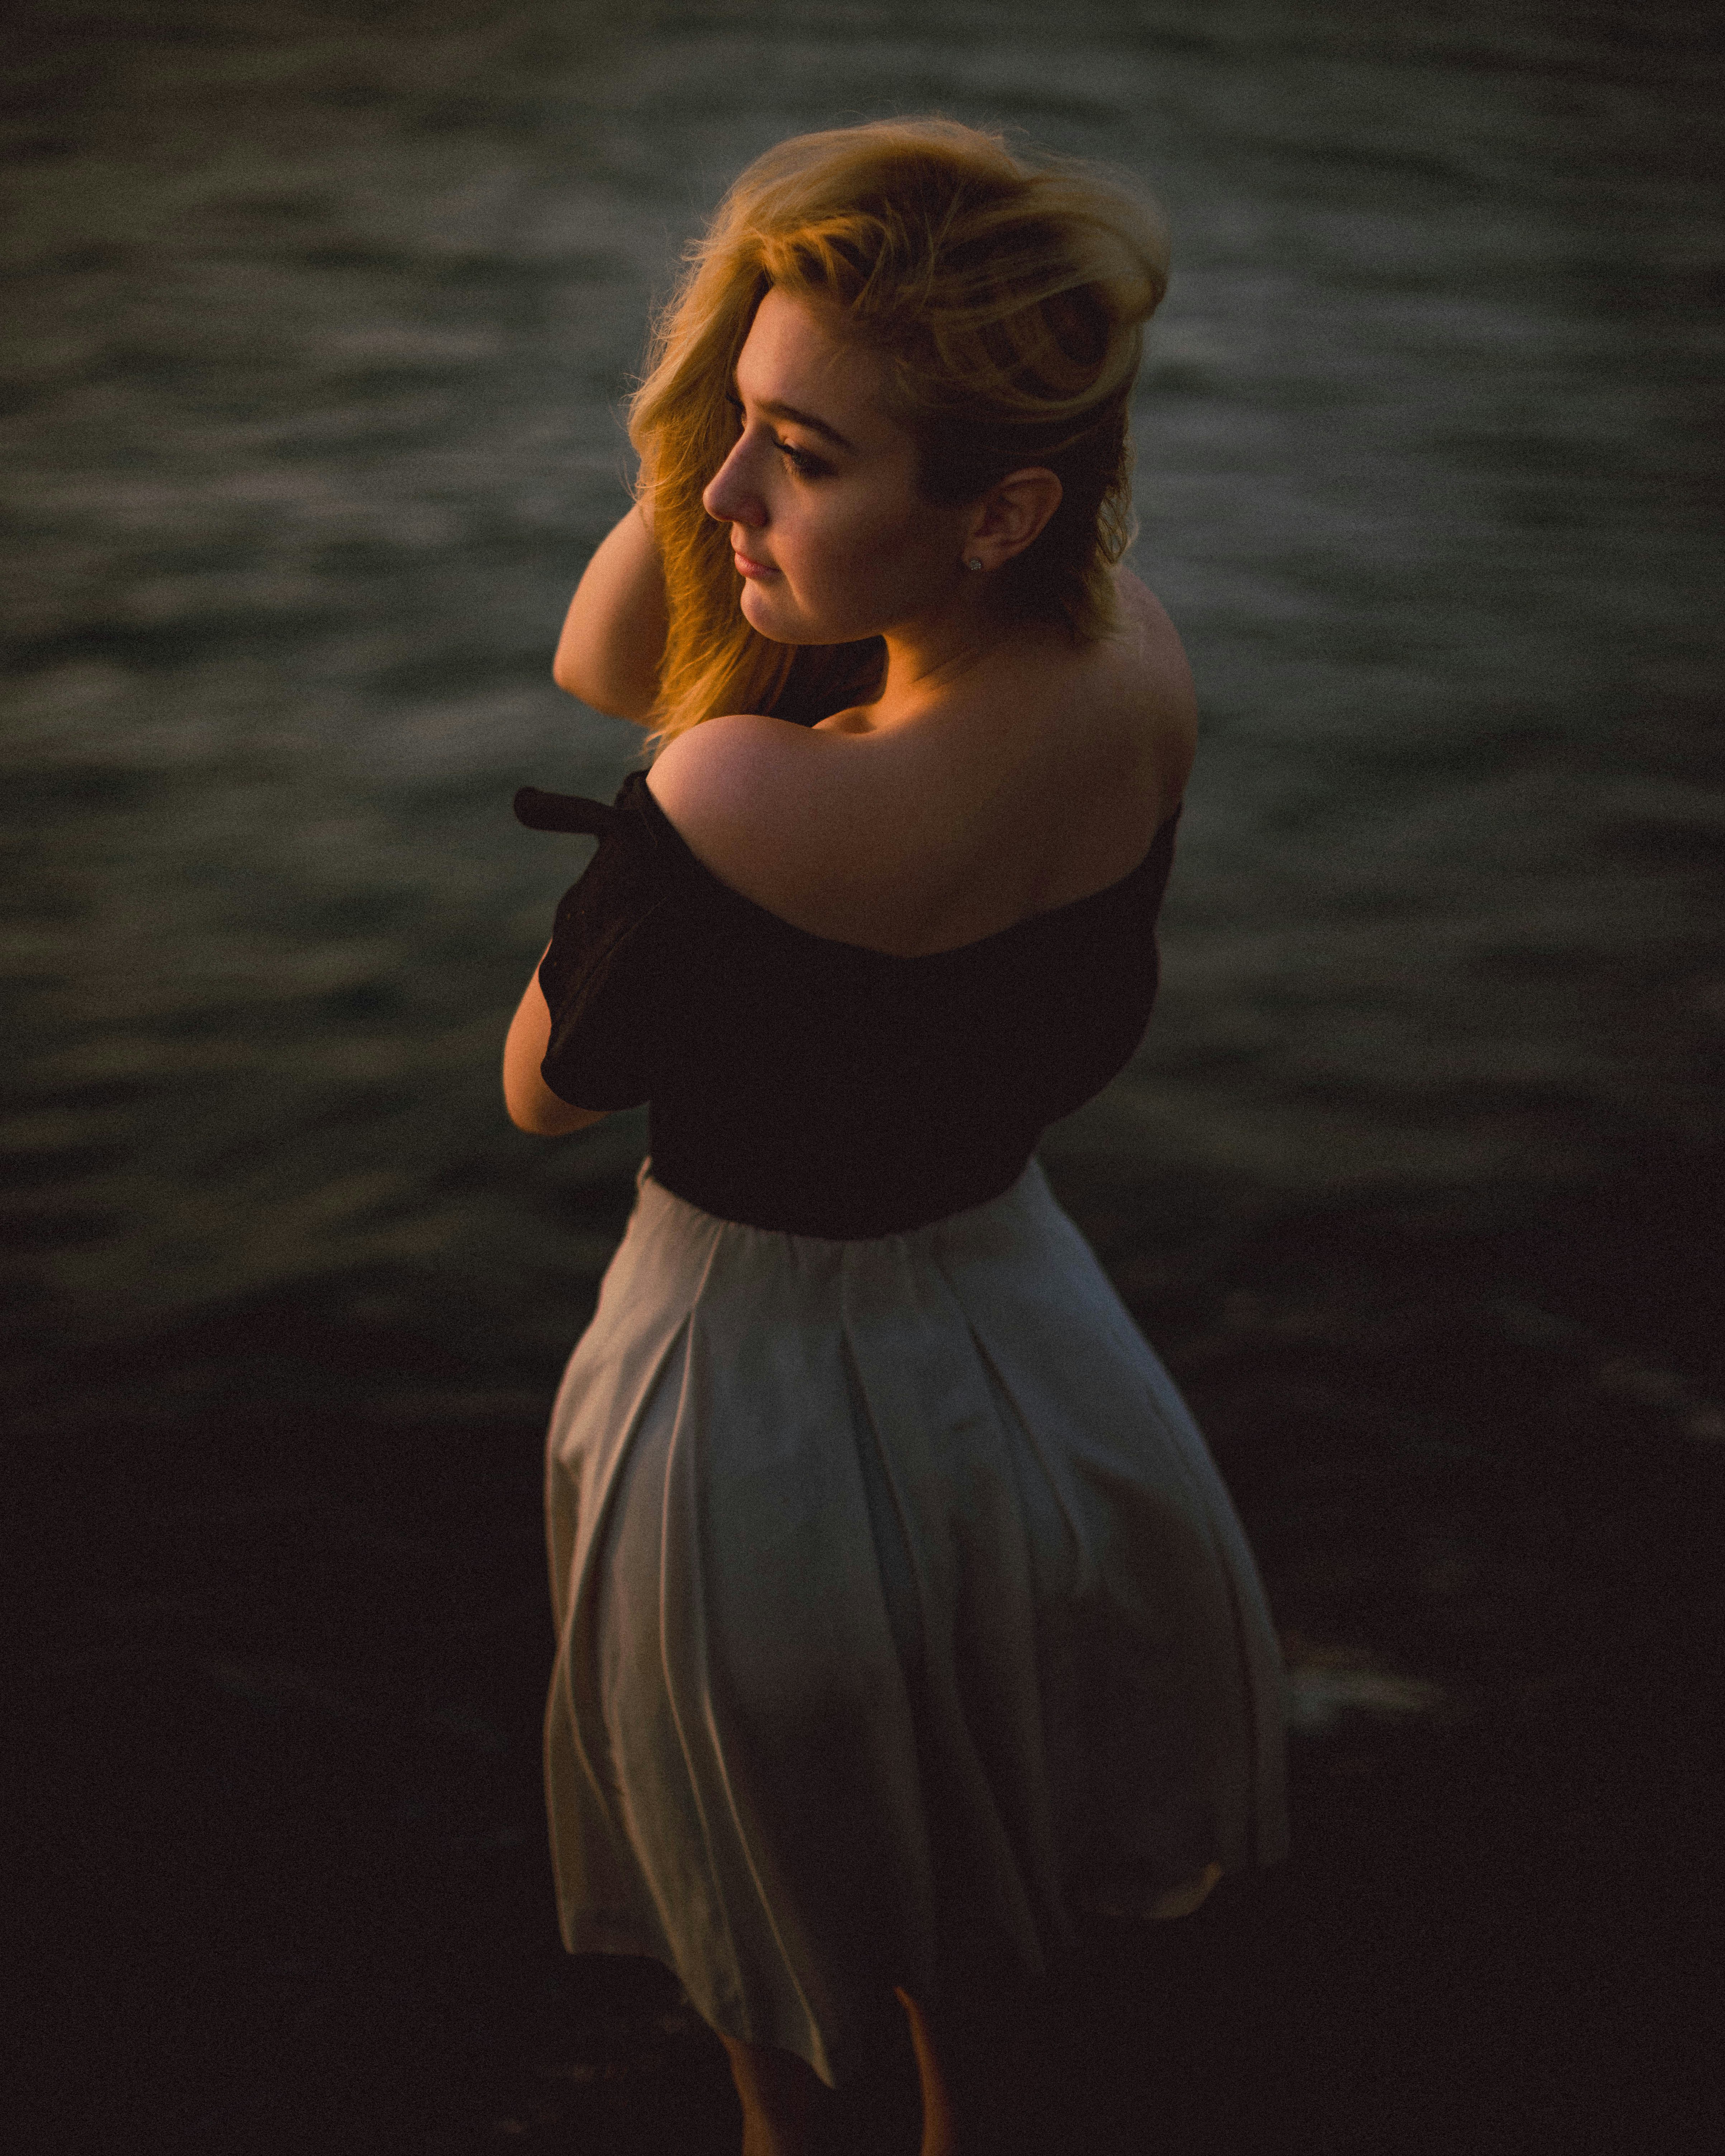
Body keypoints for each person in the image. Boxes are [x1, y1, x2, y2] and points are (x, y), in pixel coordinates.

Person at [502, 118, 1287, 2156]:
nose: (721, 493)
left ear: (1006, 501)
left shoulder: (750, 798)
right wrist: (758, 455)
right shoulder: (1139, 666)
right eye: (729, 426)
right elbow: (620, 651)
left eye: (802, 456)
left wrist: (712, 741)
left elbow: (536, 1081)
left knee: (786, 2033)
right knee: (996, 2004)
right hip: (1027, 1355)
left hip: (754, 1404)